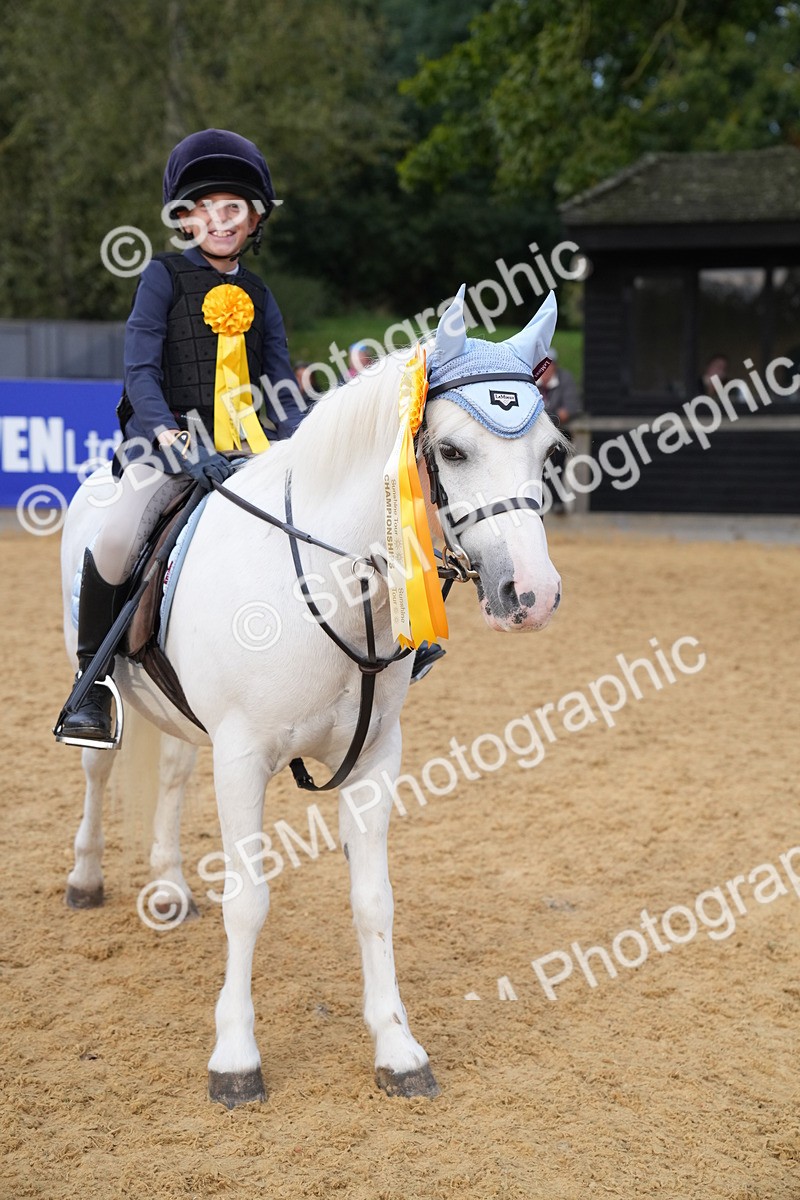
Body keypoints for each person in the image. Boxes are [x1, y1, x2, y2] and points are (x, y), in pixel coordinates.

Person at [56, 128, 306, 747]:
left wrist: (309, 440)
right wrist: (169, 435)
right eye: (205, 210)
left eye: (234, 210)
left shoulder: (260, 294)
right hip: (163, 448)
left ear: (252, 221)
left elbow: (280, 384)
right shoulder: (162, 277)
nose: (219, 222)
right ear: (186, 219)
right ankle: (93, 687)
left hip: (243, 453)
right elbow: (140, 368)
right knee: (114, 539)